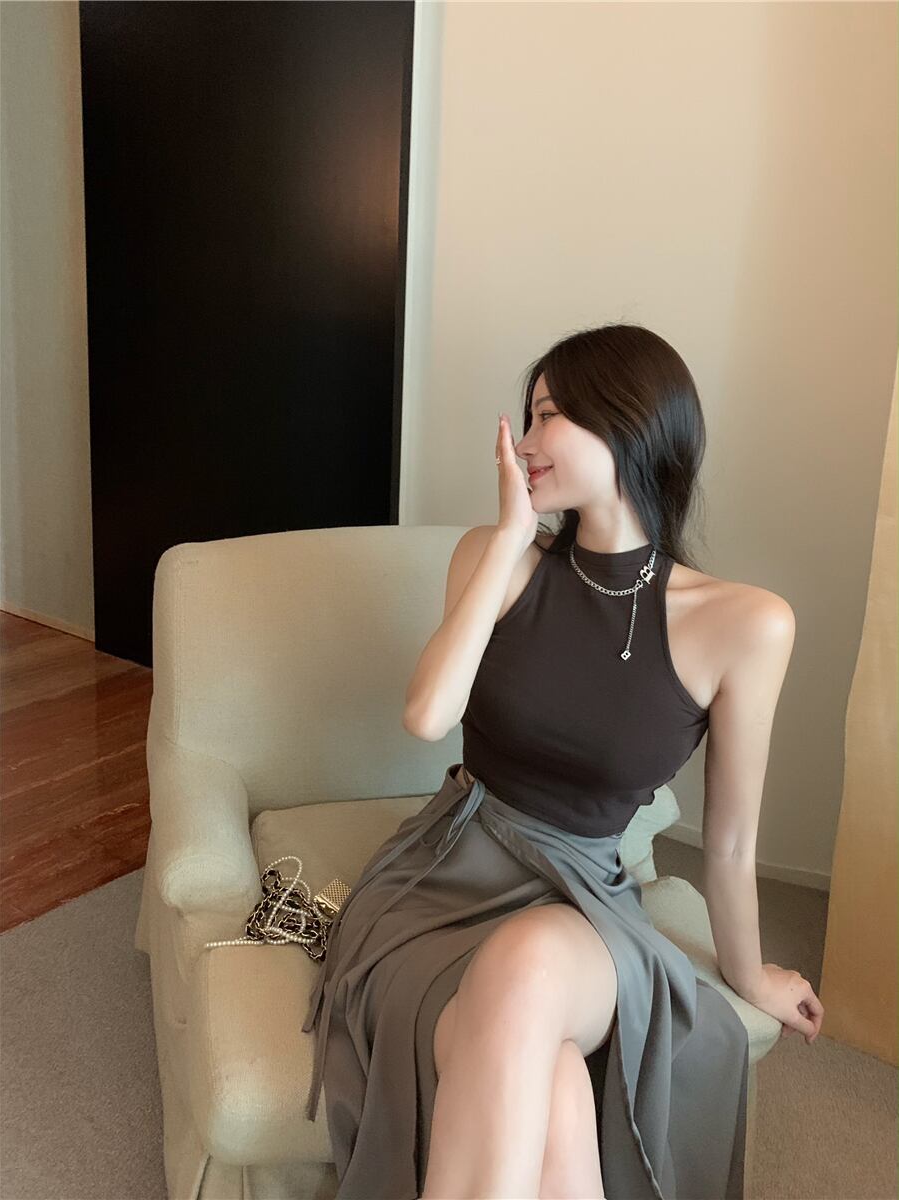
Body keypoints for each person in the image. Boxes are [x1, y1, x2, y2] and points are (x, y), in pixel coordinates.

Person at [303, 323, 824, 1200]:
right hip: (441, 880)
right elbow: (428, 715)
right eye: (529, 415)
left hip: (581, 900)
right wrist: (514, 533)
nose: (525, 442)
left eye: (550, 417)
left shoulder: (745, 624)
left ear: (628, 422)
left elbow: (732, 844)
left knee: (527, 966)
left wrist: (751, 974)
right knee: (553, 1096)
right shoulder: (495, 558)